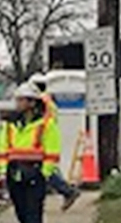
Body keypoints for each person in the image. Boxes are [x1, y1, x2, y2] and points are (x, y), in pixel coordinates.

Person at [0, 82, 61, 223]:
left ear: (32, 103)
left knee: (34, 208)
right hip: (15, 170)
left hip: (35, 171)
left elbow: (52, 150)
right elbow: (3, 148)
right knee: (20, 209)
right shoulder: (9, 124)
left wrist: (45, 173)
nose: (18, 104)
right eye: (17, 100)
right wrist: (3, 171)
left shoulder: (45, 124)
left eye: (21, 100)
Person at [28, 74, 83, 211]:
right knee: (47, 168)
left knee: (45, 170)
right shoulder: (50, 102)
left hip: (41, 139)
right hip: (49, 138)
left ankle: (67, 191)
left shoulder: (40, 102)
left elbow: (39, 123)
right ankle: (59, 192)